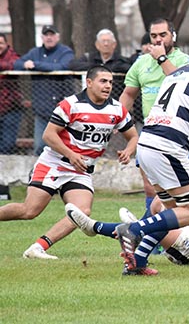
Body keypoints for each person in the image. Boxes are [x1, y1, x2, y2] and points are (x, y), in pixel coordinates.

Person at [97, 34, 189, 275]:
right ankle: (133, 230)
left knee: (168, 208)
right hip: (167, 146)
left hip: (148, 142)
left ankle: (137, 262)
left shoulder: (178, 72)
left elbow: (187, 104)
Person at [0, 66, 137, 259]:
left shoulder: (117, 110)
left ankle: (37, 248)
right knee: (30, 210)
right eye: (103, 81)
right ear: (89, 82)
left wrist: (129, 151)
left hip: (80, 170)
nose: (108, 86)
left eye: (110, 82)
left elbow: (133, 137)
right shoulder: (71, 105)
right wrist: (71, 154)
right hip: (54, 163)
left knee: (82, 212)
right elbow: (48, 135)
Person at [119, 19, 189, 217]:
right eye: (154, 36)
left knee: (174, 189)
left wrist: (161, 59)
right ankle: (155, 236)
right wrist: (120, 119)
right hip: (149, 130)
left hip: (177, 131)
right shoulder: (141, 63)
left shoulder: (185, 61)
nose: (158, 39)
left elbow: (181, 84)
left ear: (173, 36)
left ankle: (152, 231)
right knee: (151, 187)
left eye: (163, 35)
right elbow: (128, 94)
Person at [13, 24, 75, 155]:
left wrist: (36, 65)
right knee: (40, 146)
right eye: (46, 35)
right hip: (41, 109)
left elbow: (63, 66)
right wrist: (25, 64)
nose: (49, 37)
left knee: (62, 147)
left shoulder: (65, 51)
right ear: (42, 37)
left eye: (52, 35)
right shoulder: (35, 52)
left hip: (61, 110)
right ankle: (38, 174)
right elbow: (17, 64)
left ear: (57, 37)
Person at [0, 33, 23, 154]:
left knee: (8, 143)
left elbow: (17, 65)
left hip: (11, 106)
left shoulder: (12, 55)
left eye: (1, 43)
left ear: (6, 44)